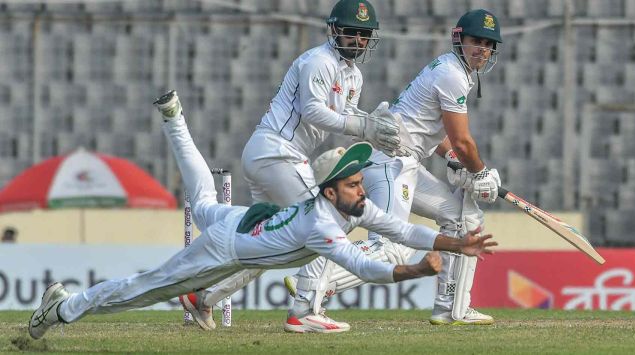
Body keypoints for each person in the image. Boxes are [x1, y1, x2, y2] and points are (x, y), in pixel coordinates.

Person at [26, 91, 498, 340]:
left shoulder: (345, 204)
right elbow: (365, 267)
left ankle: (174, 118)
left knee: (203, 194)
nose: (363, 188)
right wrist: (416, 269)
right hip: (224, 250)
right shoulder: (321, 225)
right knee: (143, 289)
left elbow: (399, 226)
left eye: (359, 181)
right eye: (354, 183)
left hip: (240, 220)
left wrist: (457, 244)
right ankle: (63, 309)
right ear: (331, 190)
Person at [177, 0, 409, 330]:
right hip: (276, 152)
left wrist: (372, 122)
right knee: (326, 220)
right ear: (334, 30)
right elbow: (314, 111)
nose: (358, 40)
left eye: (364, 34)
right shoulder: (318, 61)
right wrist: (363, 126)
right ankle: (304, 310)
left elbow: (345, 117)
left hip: (277, 157)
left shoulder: (354, 76)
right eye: (352, 32)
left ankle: (202, 297)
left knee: (266, 245)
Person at [283, 9, 504, 328]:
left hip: (405, 162)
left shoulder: (455, 70)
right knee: (390, 250)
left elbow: (429, 129)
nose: (482, 49)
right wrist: (480, 173)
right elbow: (463, 139)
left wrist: (451, 157)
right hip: (392, 161)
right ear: (459, 40)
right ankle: (319, 277)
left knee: (458, 215)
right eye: (476, 41)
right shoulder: (452, 73)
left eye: (488, 43)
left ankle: (451, 306)